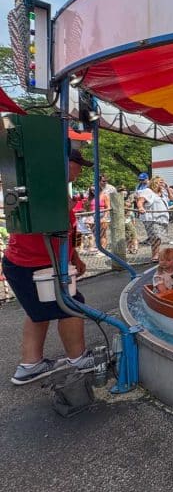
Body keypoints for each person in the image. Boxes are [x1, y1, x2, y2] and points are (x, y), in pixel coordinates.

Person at [4, 148, 95, 385]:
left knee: (38, 313)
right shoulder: (43, 189)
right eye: (78, 164)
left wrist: (74, 259)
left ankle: (30, 365)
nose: (80, 170)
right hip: (32, 264)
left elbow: (66, 234)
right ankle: (78, 358)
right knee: (72, 305)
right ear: (63, 164)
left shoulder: (54, 190)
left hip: (34, 263)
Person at [136, 175, 170, 262]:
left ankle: (157, 254)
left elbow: (171, 199)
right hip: (152, 218)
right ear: (155, 183)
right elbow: (140, 201)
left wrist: (167, 189)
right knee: (155, 236)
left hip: (162, 218)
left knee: (159, 238)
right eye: (161, 182)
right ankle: (155, 255)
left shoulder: (163, 192)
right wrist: (140, 207)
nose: (163, 184)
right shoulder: (148, 191)